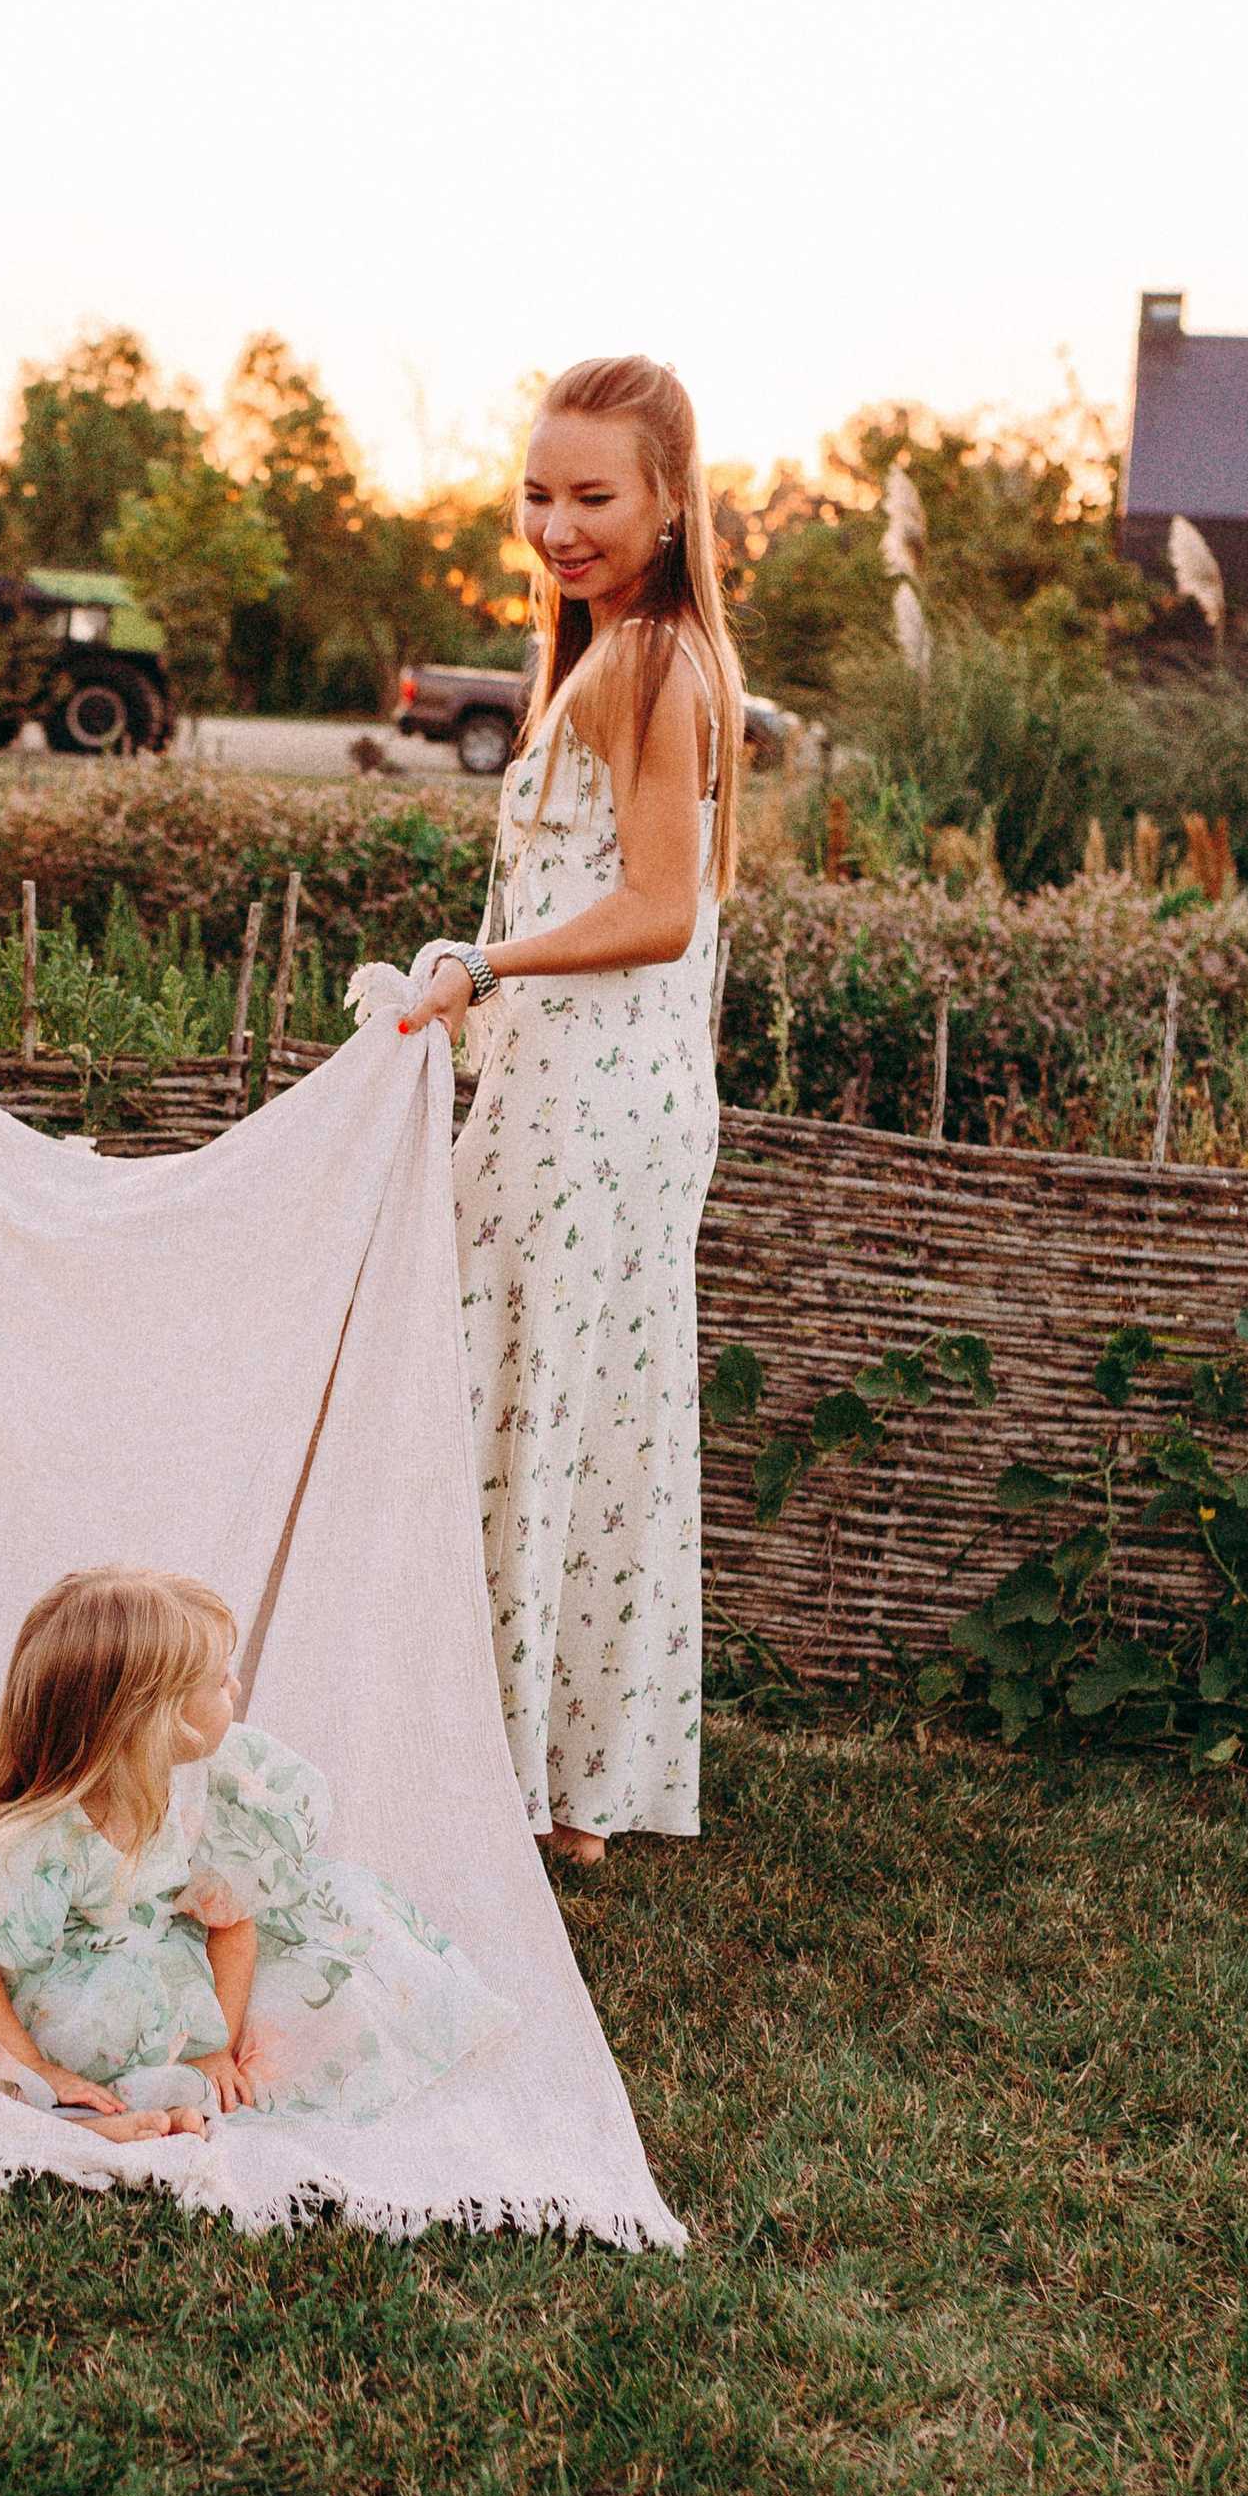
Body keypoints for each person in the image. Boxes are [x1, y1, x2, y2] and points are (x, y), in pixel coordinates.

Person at [398, 357, 745, 1864]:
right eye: (539, 492)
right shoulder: (619, 657)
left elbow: (660, 907)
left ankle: (512, 1780)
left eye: (595, 495)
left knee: (524, 1400)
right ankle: (551, 1786)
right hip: (606, 1092)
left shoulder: (653, 664)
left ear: (670, 503)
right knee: (572, 1404)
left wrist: (484, 961)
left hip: (587, 1100)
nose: (557, 524)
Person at [0, 1567, 516, 2138]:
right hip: (80, 1976)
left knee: (347, 1959)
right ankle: (75, 2115)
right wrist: (33, 2066)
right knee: (95, 2034)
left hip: (179, 1955)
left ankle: (162, 2089)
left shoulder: (210, 1790)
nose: (236, 1689)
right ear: (159, 1723)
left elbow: (232, 1918)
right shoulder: (48, 1836)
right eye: (218, 1681)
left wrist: (218, 2039)